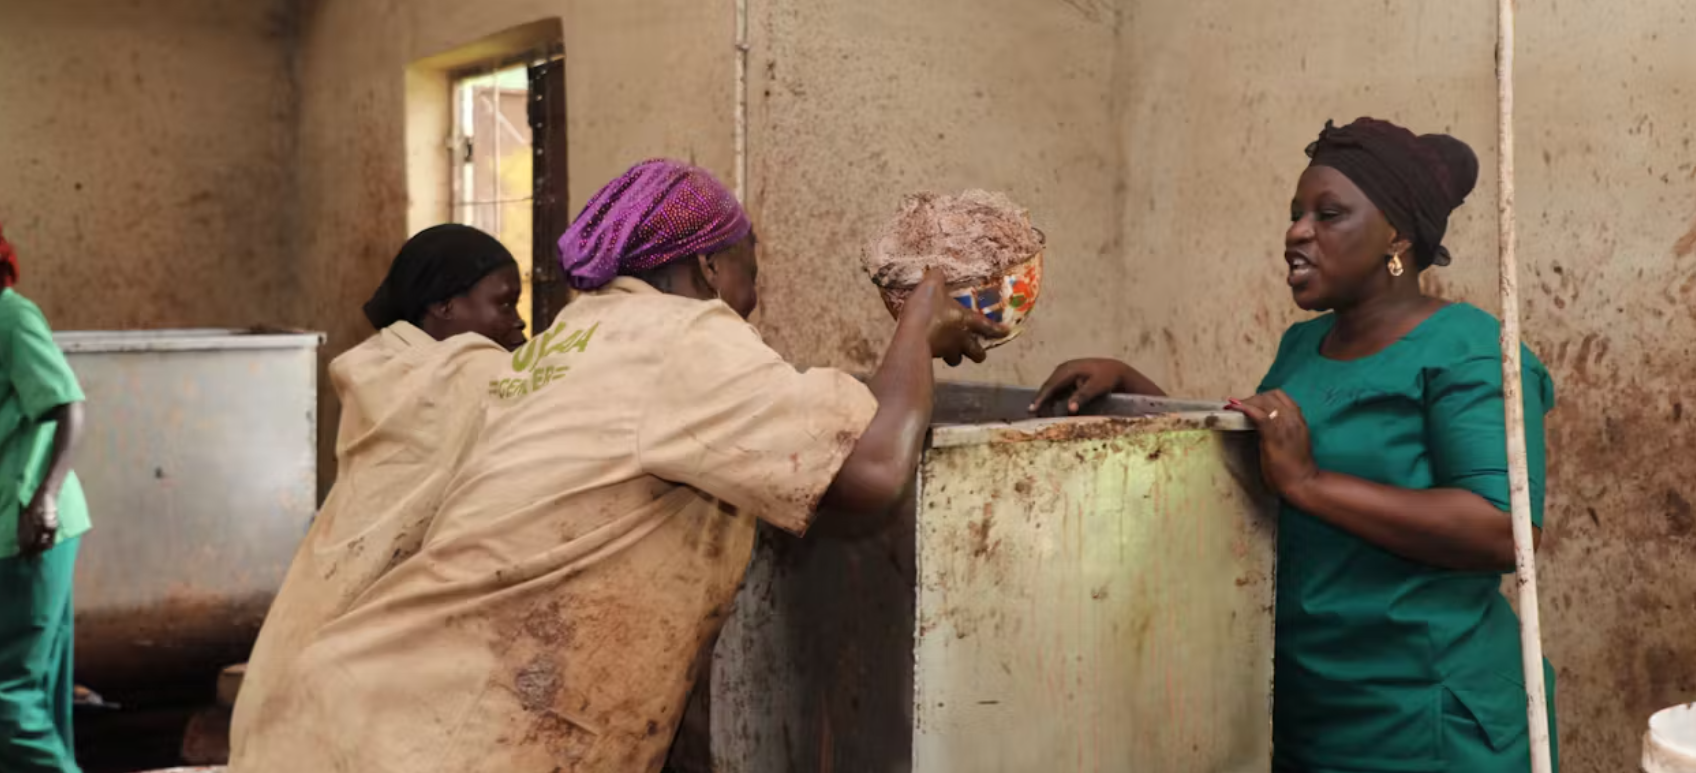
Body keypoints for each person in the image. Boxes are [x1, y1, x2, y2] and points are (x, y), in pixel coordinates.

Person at [228, 160, 1003, 773]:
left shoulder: (576, 336)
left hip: (366, 707)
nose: (752, 301)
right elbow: (871, 472)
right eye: (748, 272)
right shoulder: (685, 336)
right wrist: (917, 325)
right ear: (705, 269)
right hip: (444, 736)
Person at [1034, 118, 1558, 772]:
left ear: (1397, 235)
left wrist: (1312, 484)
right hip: (1311, 707)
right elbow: (1270, 467)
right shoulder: (1303, 347)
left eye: (1328, 213)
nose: (1297, 231)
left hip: (1426, 719)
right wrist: (1134, 393)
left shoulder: (1469, 350)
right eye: (1295, 214)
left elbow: (1502, 527)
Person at [230, 224, 529, 760]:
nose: (518, 321)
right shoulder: (477, 374)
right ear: (443, 306)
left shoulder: (379, 365)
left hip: (321, 598)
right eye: (503, 304)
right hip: (393, 608)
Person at [0, 223, 90, 772]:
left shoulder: (10, 314)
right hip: (10, 530)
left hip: (30, 525)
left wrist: (46, 498)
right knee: (37, 685)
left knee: (8, 696)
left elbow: (69, 406)